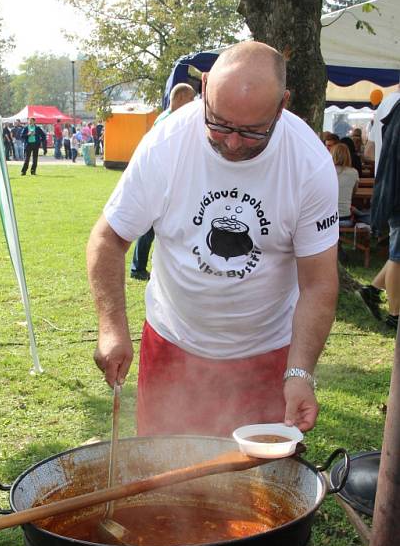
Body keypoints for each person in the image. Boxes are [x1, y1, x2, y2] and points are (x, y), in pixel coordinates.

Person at [87, 41, 339, 438]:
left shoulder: (309, 163)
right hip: (172, 346)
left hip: (266, 355)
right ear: (204, 87)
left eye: (252, 131)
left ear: (282, 105)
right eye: (218, 123)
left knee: (257, 491)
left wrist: (300, 371)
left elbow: (319, 282)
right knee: (160, 480)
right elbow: (107, 239)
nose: (232, 143)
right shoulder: (166, 144)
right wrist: (112, 328)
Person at [130, 82, 197, 280]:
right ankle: (138, 268)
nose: (192, 104)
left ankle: (142, 266)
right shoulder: (169, 121)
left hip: (163, 181)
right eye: (190, 99)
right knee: (149, 229)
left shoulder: (167, 118)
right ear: (180, 98)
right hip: (160, 182)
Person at [358, 83, 400, 325]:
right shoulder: (396, 105)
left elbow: (370, 152)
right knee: (397, 254)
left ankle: (373, 290)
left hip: (385, 183)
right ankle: (394, 315)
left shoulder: (385, 104)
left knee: (398, 249)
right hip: (395, 186)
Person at [331, 143, 358, 227]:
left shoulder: (326, 171)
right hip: (345, 219)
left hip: (328, 221)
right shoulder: (354, 172)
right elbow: (353, 193)